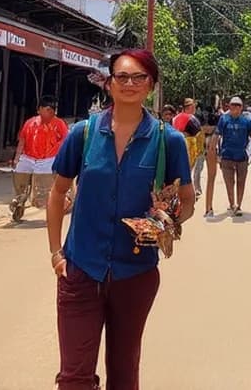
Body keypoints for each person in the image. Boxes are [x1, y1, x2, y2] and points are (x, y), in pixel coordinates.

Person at [45, 48, 194, 390]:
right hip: (81, 269)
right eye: (122, 77)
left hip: (135, 274)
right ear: (109, 84)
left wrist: (166, 220)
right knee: (74, 377)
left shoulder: (166, 141)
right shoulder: (82, 134)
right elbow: (56, 194)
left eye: (139, 77)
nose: (129, 83)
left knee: (124, 372)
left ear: (151, 85)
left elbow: (186, 201)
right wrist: (56, 253)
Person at [9, 96, 69, 222]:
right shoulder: (30, 123)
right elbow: (22, 141)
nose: (51, 112)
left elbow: (65, 142)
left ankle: (58, 207)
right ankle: (19, 200)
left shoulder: (59, 124)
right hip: (28, 157)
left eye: (53, 109)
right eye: (48, 109)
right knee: (20, 179)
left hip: (47, 160)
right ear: (39, 109)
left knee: (43, 192)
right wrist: (16, 159)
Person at [213, 96, 251, 216]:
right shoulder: (224, 119)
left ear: (241, 108)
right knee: (229, 182)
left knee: (241, 181)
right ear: (229, 107)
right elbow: (217, 135)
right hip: (226, 156)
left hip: (242, 157)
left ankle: (239, 204)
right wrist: (213, 151)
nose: (235, 108)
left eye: (238, 106)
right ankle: (232, 204)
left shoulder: (247, 121)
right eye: (233, 105)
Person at [172, 99, 204, 196]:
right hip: (189, 146)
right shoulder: (191, 118)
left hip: (175, 146)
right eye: (193, 107)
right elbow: (198, 134)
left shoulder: (174, 118)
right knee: (191, 170)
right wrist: (201, 150)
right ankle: (191, 191)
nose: (195, 109)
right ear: (189, 107)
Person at [200, 109, 221, 218]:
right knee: (211, 178)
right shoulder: (213, 135)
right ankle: (208, 208)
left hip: (209, 152)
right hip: (211, 152)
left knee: (211, 179)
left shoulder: (204, 134)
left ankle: (208, 208)